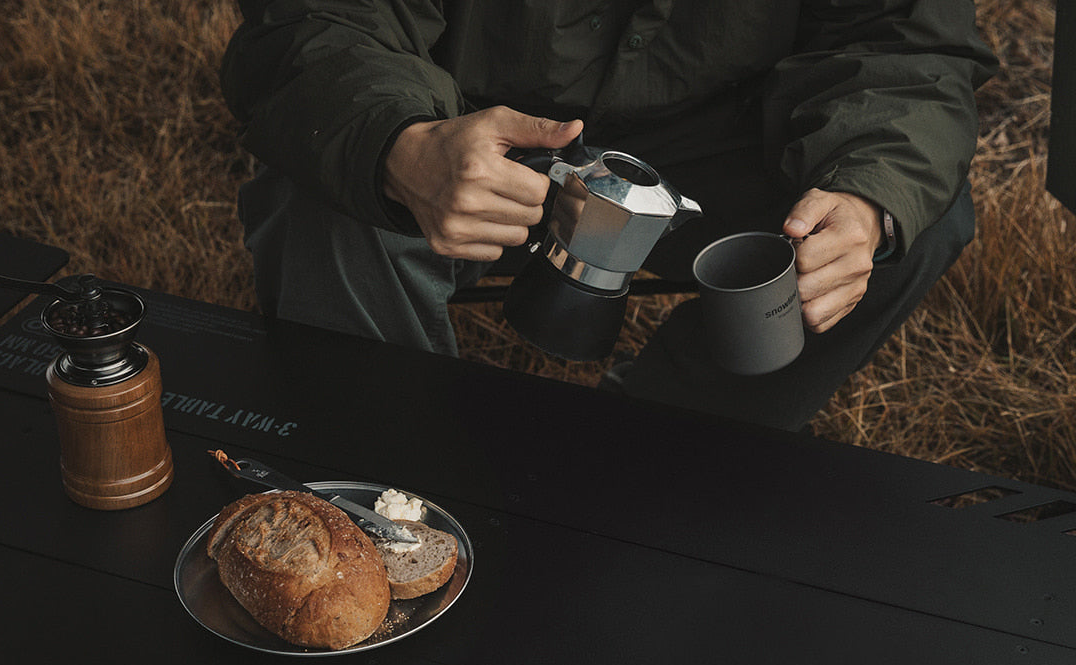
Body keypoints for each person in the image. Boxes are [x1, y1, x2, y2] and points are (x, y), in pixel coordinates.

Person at [219, 2, 997, 430]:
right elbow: (319, 17)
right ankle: (382, 488)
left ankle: (664, 451)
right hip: (465, 117)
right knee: (329, 192)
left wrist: (866, 194)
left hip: (719, 136)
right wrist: (399, 144)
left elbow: (904, 43)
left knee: (902, 211)